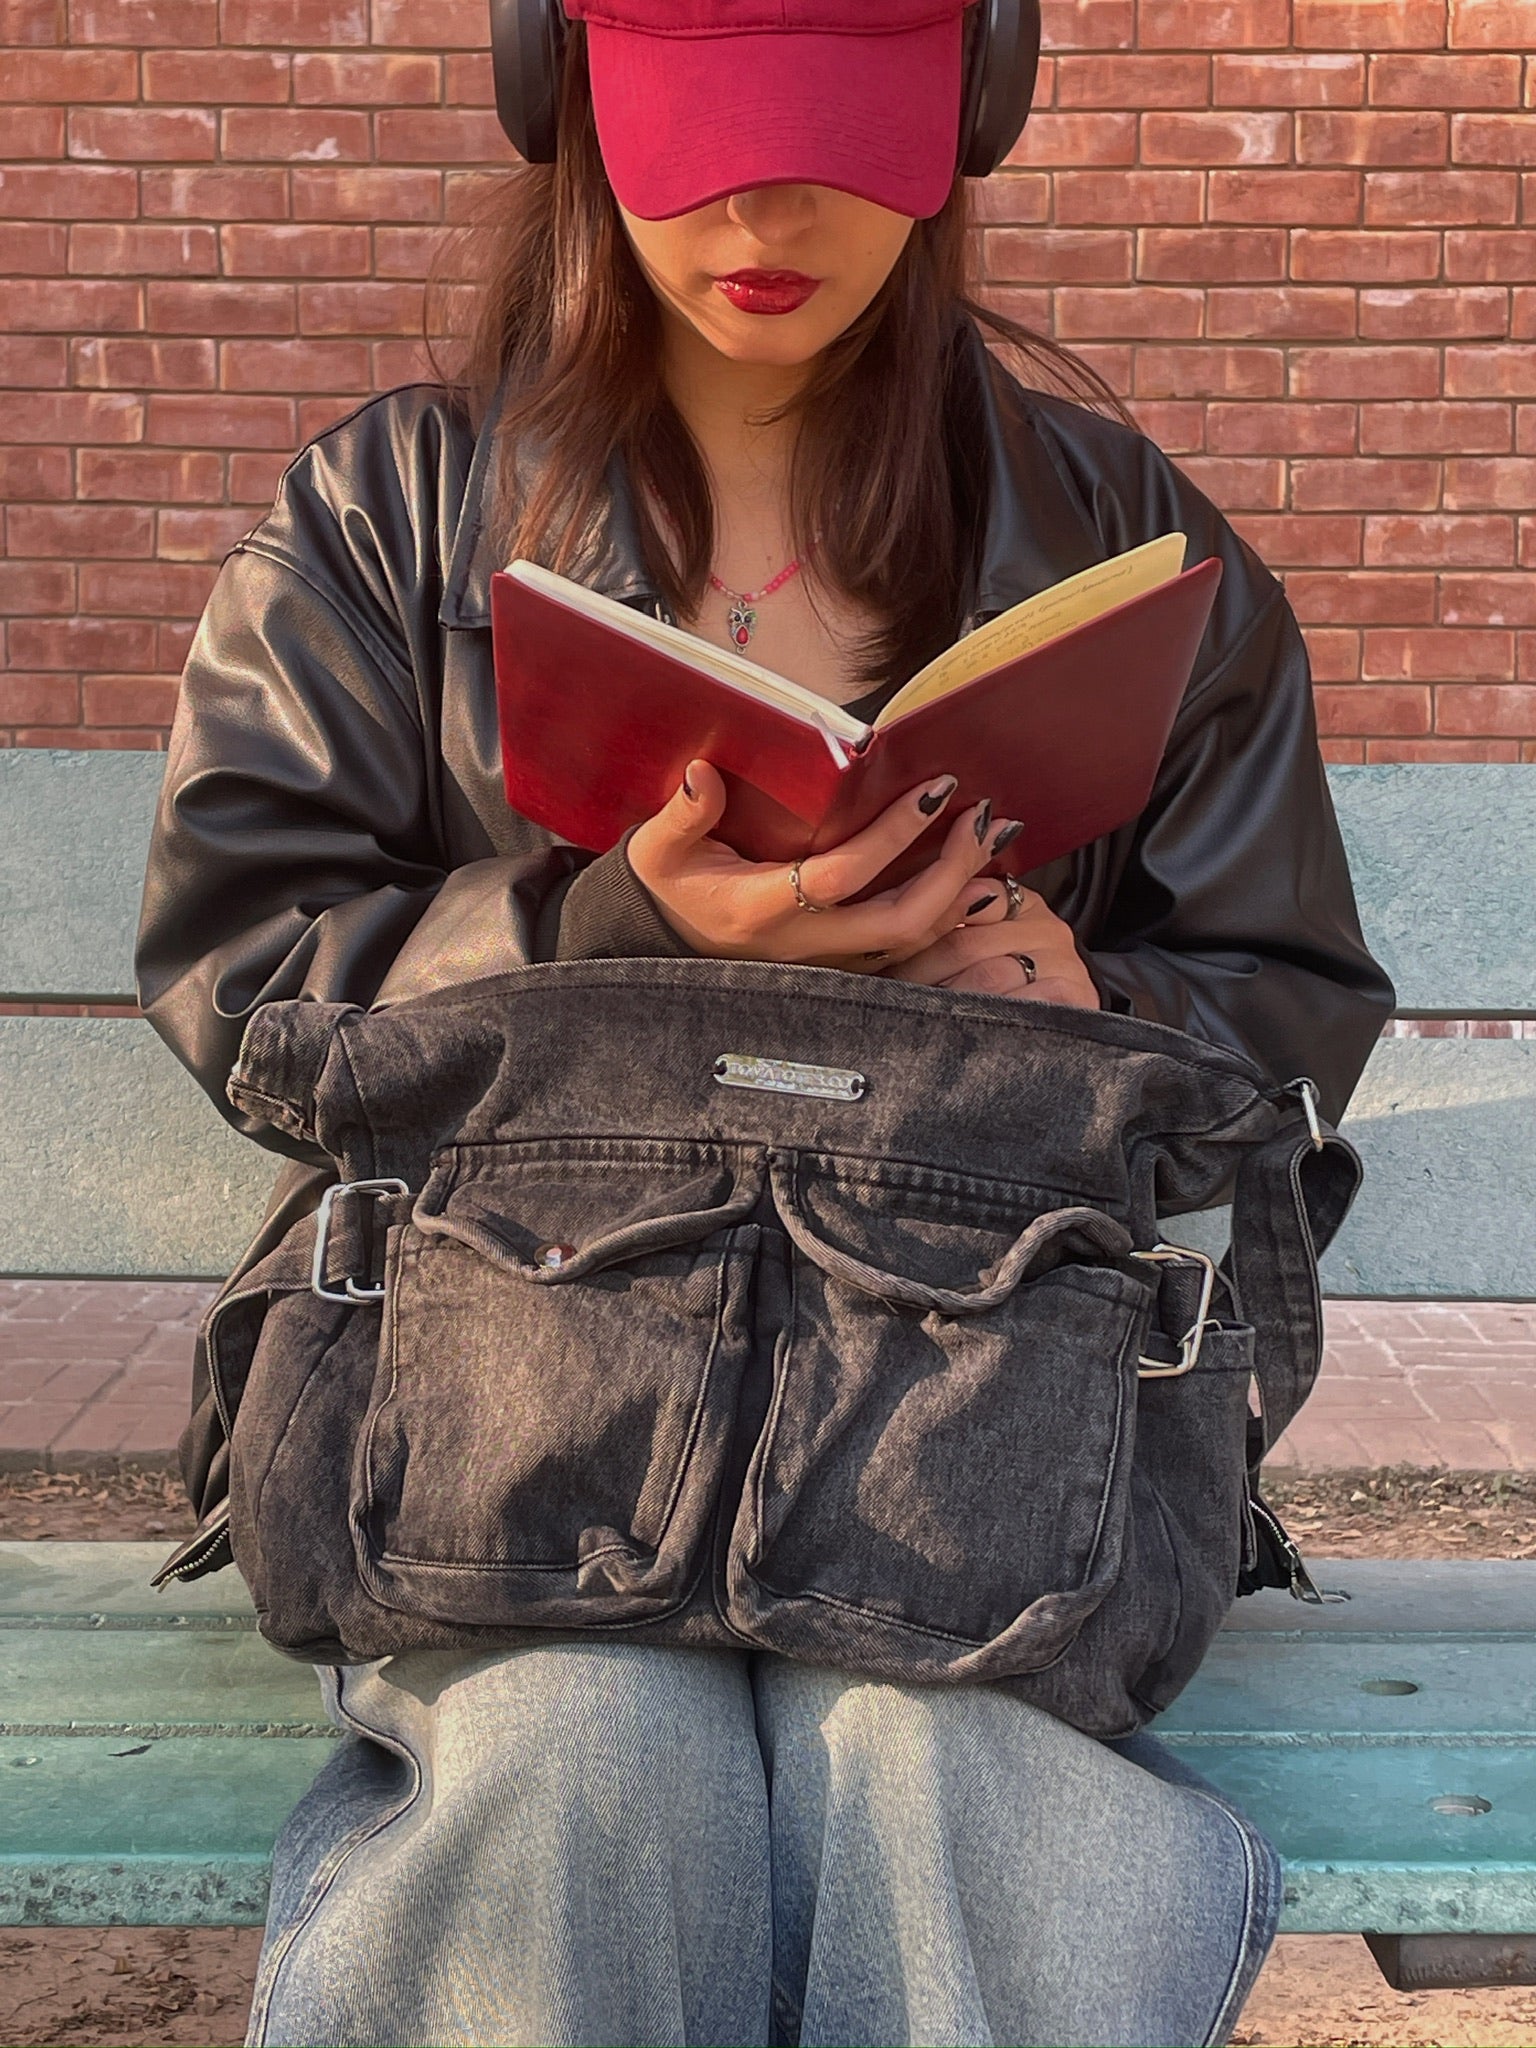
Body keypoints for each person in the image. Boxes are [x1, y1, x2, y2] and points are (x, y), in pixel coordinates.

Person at [136, 2, 1394, 2041]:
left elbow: (1283, 1007)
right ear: (561, 85)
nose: (762, 200)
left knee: (958, 1762)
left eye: (837, 130)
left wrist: (1088, 1006)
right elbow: (243, 963)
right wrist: (602, 925)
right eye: (700, 124)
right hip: (511, 1399)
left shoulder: (1121, 549)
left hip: (965, 1412)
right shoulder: (387, 519)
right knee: (572, 1756)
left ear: (973, 97)